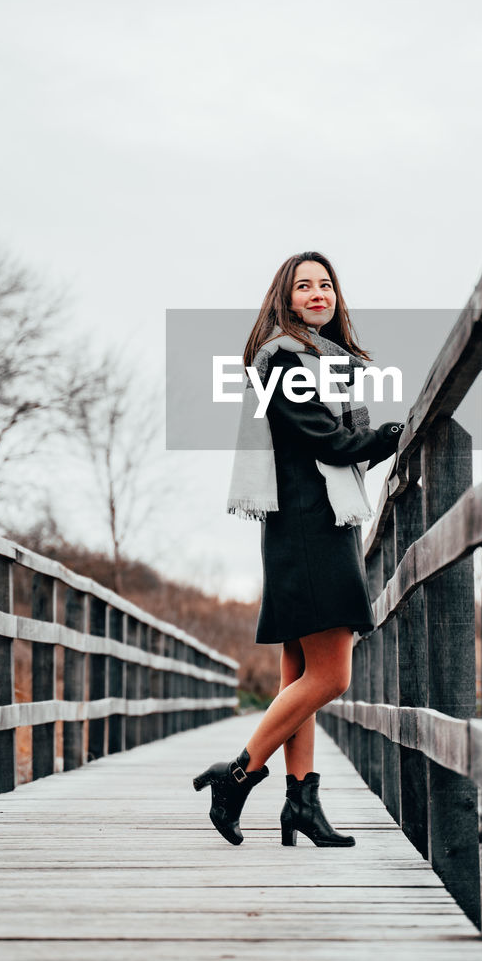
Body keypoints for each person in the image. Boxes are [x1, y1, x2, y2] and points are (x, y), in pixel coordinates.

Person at [193, 251, 403, 846]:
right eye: (304, 285)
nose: (318, 292)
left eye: (326, 284)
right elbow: (326, 438)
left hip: (308, 522)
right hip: (311, 525)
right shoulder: (285, 358)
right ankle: (238, 774)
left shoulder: (315, 358)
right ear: (284, 300)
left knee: (299, 675)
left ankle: (301, 803)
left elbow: (329, 437)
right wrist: (390, 437)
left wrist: (371, 440)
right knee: (332, 676)